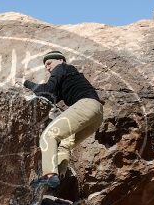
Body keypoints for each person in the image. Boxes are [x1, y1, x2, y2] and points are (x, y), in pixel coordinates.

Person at [22, 50, 104, 189]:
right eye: (45, 66)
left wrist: (25, 82)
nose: (47, 67)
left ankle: (49, 175)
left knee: (49, 136)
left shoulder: (61, 68)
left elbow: (47, 89)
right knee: (65, 144)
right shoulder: (69, 75)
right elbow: (51, 96)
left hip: (86, 105)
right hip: (97, 116)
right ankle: (58, 176)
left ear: (61, 60)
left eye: (49, 63)